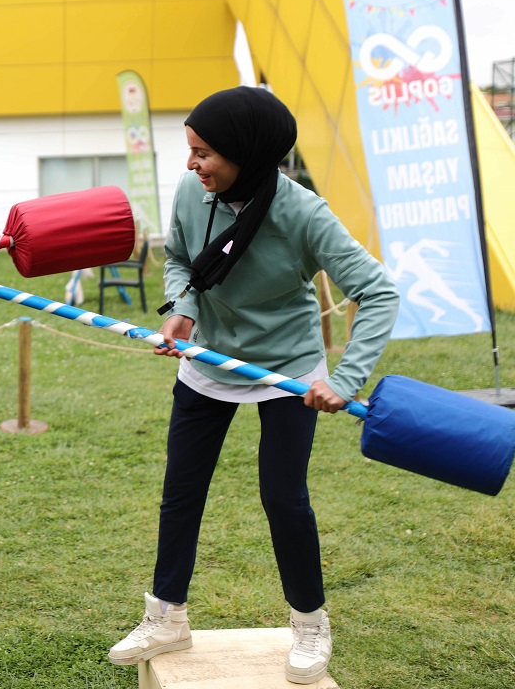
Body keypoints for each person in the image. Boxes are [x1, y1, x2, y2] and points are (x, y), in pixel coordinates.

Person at [107, 87, 398, 685]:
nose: (191, 165)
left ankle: (311, 624)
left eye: (204, 152)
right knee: (180, 491)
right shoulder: (194, 192)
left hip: (286, 367)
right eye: (190, 150)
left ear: (246, 153)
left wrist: (343, 380)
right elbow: (182, 260)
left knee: (283, 498)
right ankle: (167, 616)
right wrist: (182, 307)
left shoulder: (303, 214)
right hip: (207, 358)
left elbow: (379, 291)